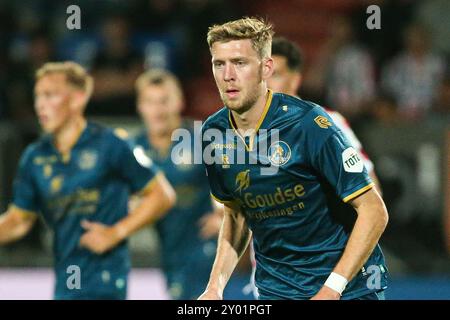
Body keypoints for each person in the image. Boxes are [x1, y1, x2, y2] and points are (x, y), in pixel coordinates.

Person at [198, 17, 389, 300]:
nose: (228, 76)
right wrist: (214, 287)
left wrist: (332, 289)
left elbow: (374, 211)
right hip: (277, 290)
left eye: (240, 63)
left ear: (266, 68)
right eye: (219, 64)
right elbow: (236, 214)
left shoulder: (309, 124)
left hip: (347, 289)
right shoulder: (214, 132)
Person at [0, 62, 176, 299]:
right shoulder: (35, 156)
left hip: (105, 283)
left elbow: (162, 195)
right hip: (64, 285)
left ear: (77, 99)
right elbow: (19, 220)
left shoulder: (111, 144)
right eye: (37, 95)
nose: (39, 104)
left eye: (49, 95)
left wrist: (115, 232)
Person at [130, 69, 223, 299]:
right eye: (150, 102)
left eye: (164, 101)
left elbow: (241, 180)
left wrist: (225, 215)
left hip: (205, 247)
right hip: (169, 250)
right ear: (140, 106)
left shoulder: (203, 138)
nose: (158, 110)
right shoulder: (133, 149)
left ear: (179, 101)